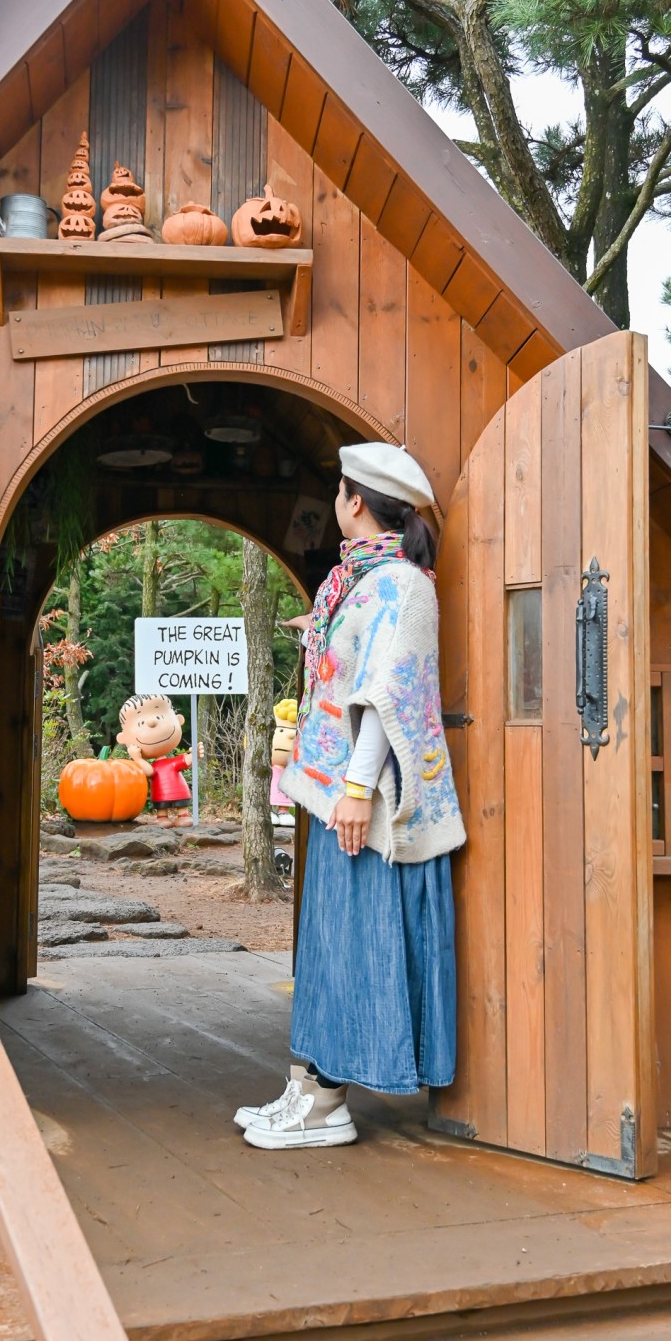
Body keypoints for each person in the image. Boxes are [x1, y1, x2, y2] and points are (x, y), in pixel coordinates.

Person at [234, 442, 466, 1150]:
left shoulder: (401, 584)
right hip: (340, 795)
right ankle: (308, 1085)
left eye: (338, 489)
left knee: (349, 945)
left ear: (354, 500)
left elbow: (388, 692)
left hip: (373, 803)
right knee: (329, 946)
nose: (335, 499)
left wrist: (360, 788)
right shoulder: (360, 582)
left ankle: (327, 1102)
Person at [117, 693, 199, 827]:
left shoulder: (172, 762)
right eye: (141, 723)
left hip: (179, 791)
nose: (152, 722)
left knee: (181, 805)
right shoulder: (154, 766)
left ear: (178, 720)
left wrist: (194, 754)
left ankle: (183, 814)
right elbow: (149, 772)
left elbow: (186, 761)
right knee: (162, 806)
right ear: (123, 738)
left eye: (160, 716)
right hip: (160, 793)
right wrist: (137, 758)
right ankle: (162, 816)